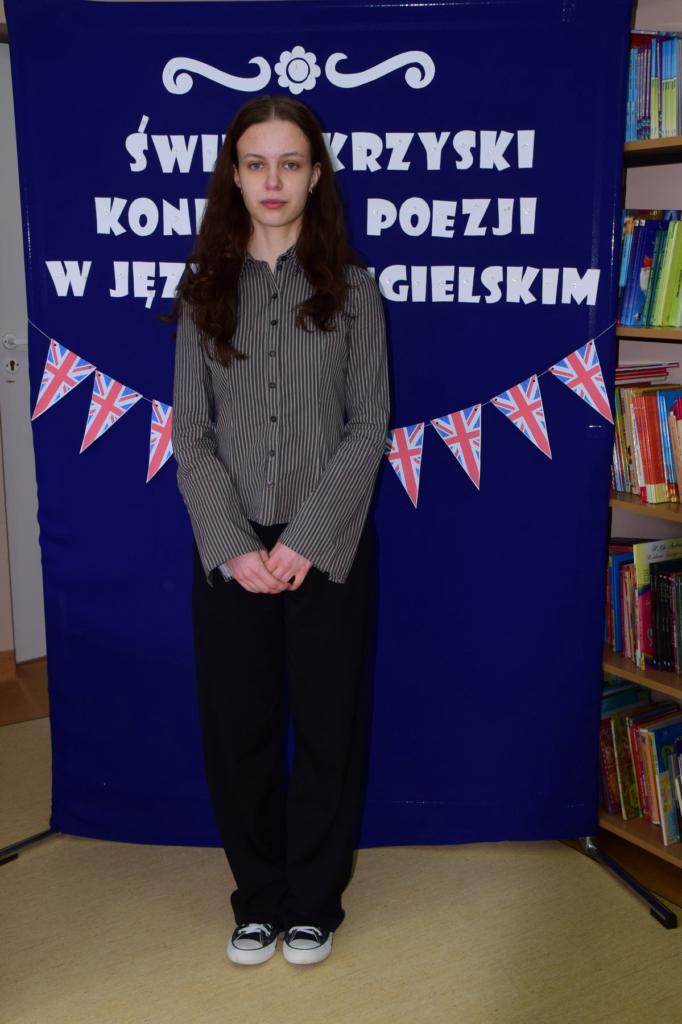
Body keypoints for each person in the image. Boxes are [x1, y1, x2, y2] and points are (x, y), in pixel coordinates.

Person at [167, 94, 390, 967]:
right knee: (239, 729)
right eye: (256, 163)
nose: (273, 180)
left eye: (290, 163)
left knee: (330, 727)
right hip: (229, 550)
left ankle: (314, 903)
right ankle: (258, 897)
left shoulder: (355, 293)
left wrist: (304, 540)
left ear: (315, 174)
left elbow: (367, 429)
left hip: (328, 546)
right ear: (234, 174)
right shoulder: (202, 293)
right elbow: (191, 435)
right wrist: (233, 545)